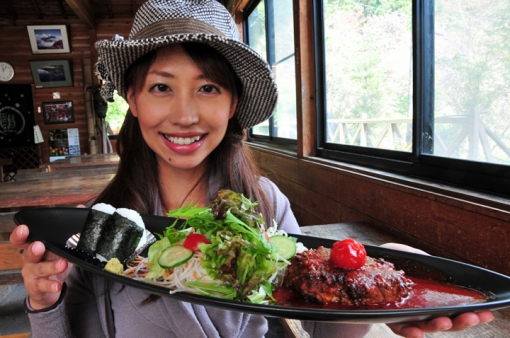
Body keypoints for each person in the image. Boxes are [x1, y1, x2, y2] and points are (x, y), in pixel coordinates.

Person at [10, 0, 493, 337]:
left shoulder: (265, 204)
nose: (184, 114)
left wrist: (365, 293)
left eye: (208, 88)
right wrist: (43, 300)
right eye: (161, 87)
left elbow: (318, 329)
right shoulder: (101, 219)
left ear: (233, 103)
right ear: (132, 99)